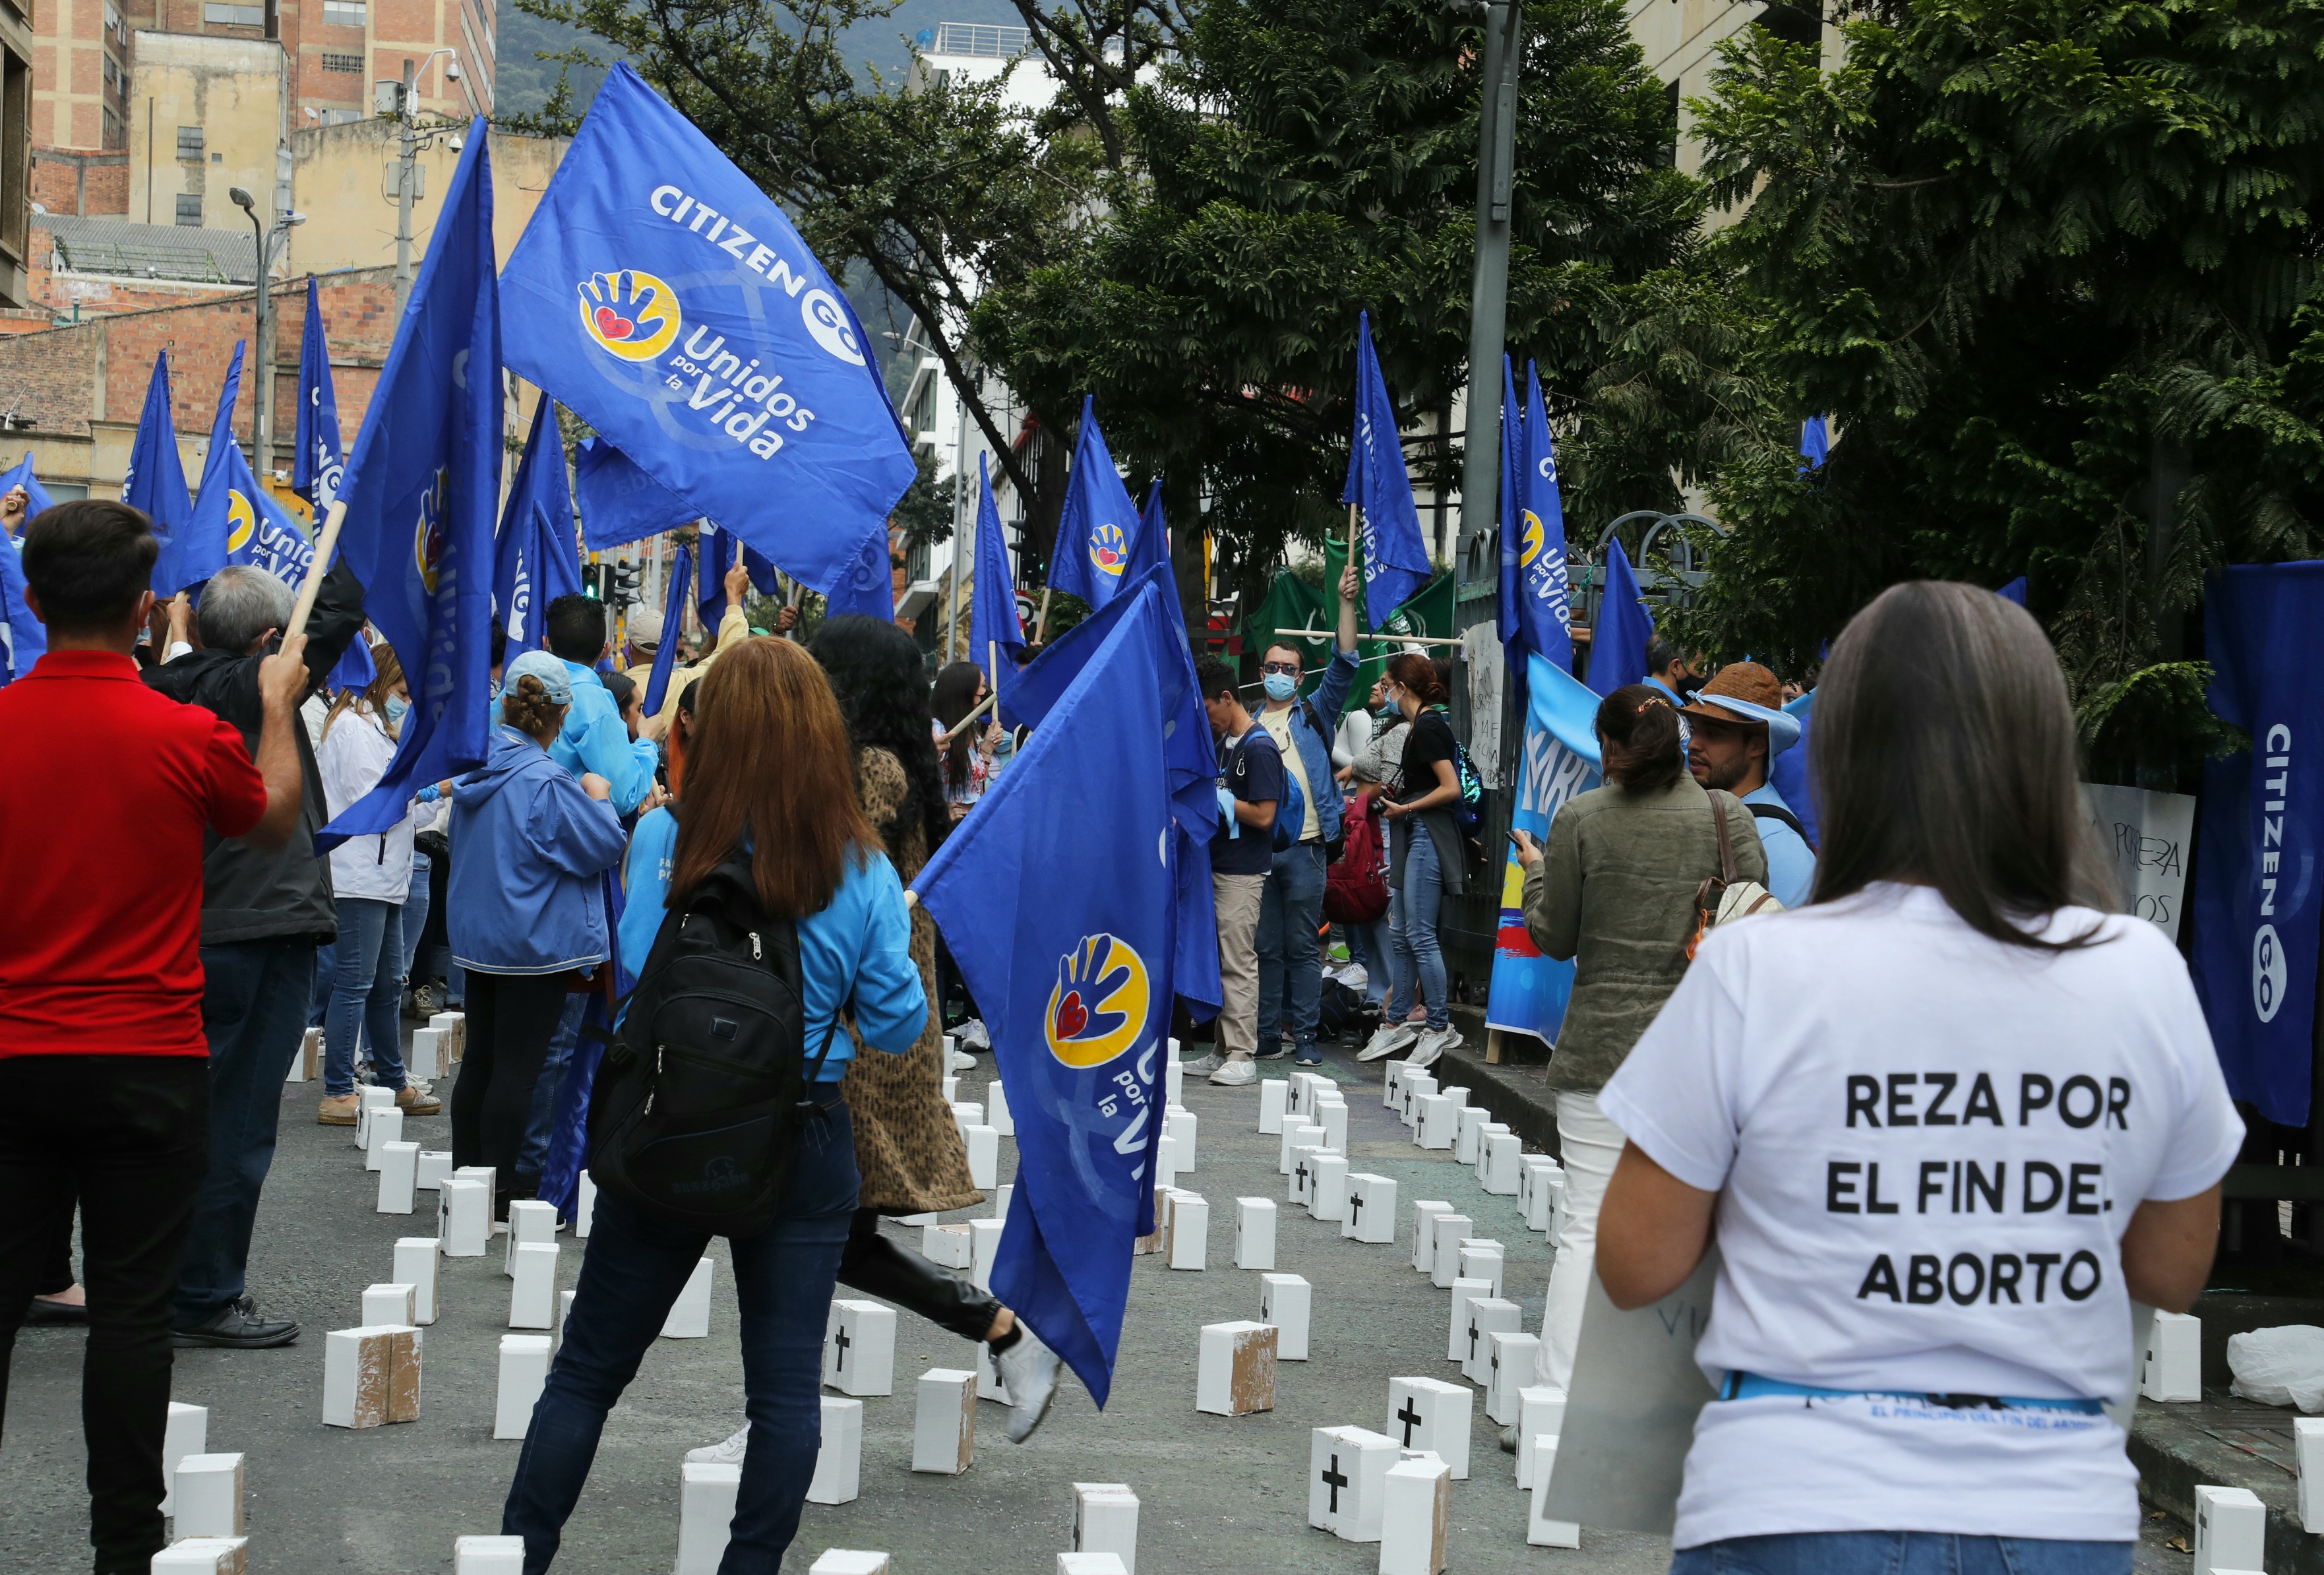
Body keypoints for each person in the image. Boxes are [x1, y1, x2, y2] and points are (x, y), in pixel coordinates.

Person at [1591, 582, 2242, 1574]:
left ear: (1845, 760)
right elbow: (2170, 1269)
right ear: (2039, 755)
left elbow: (1637, 1261)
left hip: (1790, 1500)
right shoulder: (2140, 970)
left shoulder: (1755, 967)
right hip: (2052, 1511)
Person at [501, 636, 928, 1571]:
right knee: (782, 1396)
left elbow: (636, 980)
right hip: (806, 1129)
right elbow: (899, 1028)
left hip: (668, 1116)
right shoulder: (859, 870)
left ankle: (520, 1555)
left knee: (586, 1374)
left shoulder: (666, 836)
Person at [0, 499, 307, 1573]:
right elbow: (270, 817)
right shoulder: (182, 732)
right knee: (132, 1312)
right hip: (147, 1058)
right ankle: (124, 1548)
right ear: (145, 612)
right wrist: (274, 704)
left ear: (32, 603)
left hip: (12, 1053)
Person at [1509, 682, 1767, 1403]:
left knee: (1587, 1226)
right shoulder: (1729, 818)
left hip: (1599, 1050)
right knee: (1697, 1230)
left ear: (1609, 748)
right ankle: (1675, 1402)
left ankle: (1553, 1403)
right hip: (1699, 1064)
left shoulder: (1580, 819)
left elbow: (1554, 937)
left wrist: (1534, 874)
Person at [144, 558, 367, 1349]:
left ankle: (158, 1281)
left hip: (196, 931)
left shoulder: (165, 690)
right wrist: (367, 508)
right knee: (236, 1125)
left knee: (179, 1118)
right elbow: (334, 618)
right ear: (272, 646)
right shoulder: (254, 691)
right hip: (259, 932)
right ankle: (203, 1291)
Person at [446, 651, 628, 1216]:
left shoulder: (476, 765)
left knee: (481, 1062)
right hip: (533, 944)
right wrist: (599, 798)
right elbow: (603, 845)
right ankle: (499, 1194)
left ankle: (467, 1180)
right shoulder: (546, 781)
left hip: (481, 940)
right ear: (560, 714)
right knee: (517, 1072)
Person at [314, 642, 443, 1123]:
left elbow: (416, 812)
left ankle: (392, 1077)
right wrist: (426, 788)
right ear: (379, 682)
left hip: (387, 876)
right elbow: (375, 802)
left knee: (390, 983)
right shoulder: (351, 729)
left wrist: (427, 790)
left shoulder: (384, 732)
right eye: (402, 692)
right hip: (359, 874)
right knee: (355, 981)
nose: (406, 703)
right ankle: (337, 1089)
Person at [1250, 565, 1362, 1066]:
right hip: (1255, 853)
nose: (1280, 674)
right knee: (1265, 950)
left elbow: (1345, 660)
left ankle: (1310, 1041)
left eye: (1289, 669)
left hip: (1307, 852)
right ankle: (1267, 1036)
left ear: (1300, 676)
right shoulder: (1247, 726)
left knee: (1301, 949)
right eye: (1273, 666)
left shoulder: (1316, 712)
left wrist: (1345, 603)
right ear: (1262, 672)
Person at [1366, 653, 1469, 1069]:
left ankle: (1440, 1024)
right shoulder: (1418, 728)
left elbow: (1451, 788)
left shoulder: (1427, 727)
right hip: (1414, 832)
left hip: (1424, 832)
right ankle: (1397, 1020)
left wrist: (1405, 810)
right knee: (1403, 933)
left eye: (1388, 683)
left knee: (1419, 934)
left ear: (1402, 688)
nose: (1385, 690)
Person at [1192, 656, 1280, 1087]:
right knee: (1222, 960)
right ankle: (1222, 1050)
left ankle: (1243, 1054)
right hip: (1221, 865)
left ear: (1227, 698)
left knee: (1237, 961)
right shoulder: (1228, 742)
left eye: (1209, 710)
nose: (1207, 719)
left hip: (1243, 872)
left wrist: (1224, 803)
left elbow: (1265, 816)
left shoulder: (1260, 747)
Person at [1682, 660, 1817, 909]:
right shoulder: (1716, 809)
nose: (1693, 744)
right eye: (1694, 729)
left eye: (1713, 733)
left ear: (1757, 746)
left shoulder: (1778, 845)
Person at [541, 593, 657, 817]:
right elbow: (625, 796)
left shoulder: (511, 692)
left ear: (546, 644)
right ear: (606, 650)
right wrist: (647, 742)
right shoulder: (594, 703)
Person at [931, 660, 1012, 818]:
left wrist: (988, 746)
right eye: (983, 686)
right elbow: (919, 778)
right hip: (949, 831)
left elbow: (975, 784)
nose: (987, 691)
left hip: (972, 823)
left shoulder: (969, 731)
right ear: (965, 692)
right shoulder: (937, 730)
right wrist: (940, 812)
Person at [1643, 636, 1704, 707]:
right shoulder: (1662, 711)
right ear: (1675, 666)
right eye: (1700, 668)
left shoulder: (1637, 698)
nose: (1703, 676)